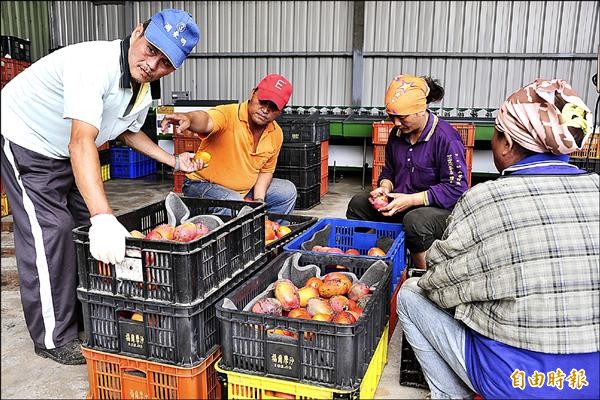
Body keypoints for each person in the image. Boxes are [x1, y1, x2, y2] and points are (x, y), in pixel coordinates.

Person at [0, 9, 201, 365]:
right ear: (138, 31)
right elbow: (81, 143)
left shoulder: (142, 89)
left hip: (65, 148)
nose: (152, 64)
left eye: (165, 62)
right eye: (151, 48)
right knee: (52, 232)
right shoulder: (93, 64)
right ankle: (51, 336)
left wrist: (173, 161)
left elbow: (128, 130)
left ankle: (79, 313)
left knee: (81, 228)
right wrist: (104, 214)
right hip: (26, 137)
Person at [397, 79, 599, 399]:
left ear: (506, 144)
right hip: (590, 382)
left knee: (411, 291)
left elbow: (439, 281)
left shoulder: (487, 197)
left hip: (514, 380)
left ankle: (450, 395)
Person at [346, 74, 469, 268]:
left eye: (402, 117)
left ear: (421, 110)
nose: (395, 123)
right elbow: (389, 171)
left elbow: (456, 189)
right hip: (401, 203)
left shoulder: (446, 138)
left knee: (415, 221)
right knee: (358, 204)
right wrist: (385, 188)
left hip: (437, 212)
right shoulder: (397, 135)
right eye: (391, 116)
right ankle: (362, 259)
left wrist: (411, 200)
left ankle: (422, 277)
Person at [160, 74, 297, 214]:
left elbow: (266, 171)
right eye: (263, 101)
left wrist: (259, 200)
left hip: (243, 192)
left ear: (281, 111)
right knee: (232, 203)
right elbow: (206, 120)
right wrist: (189, 118)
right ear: (252, 93)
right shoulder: (228, 114)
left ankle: (266, 232)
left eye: (273, 107)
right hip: (203, 186)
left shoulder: (276, 134)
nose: (266, 110)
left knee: (286, 191)